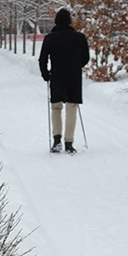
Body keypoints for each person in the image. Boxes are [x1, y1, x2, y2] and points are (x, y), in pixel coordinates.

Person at [39, 8, 90, 153]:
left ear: (56, 21)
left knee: (56, 108)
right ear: (69, 21)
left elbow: (42, 59)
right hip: (73, 77)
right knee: (71, 108)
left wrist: (46, 75)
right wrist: (76, 66)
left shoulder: (50, 38)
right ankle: (69, 142)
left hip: (57, 76)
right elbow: (86, 58)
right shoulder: (80, 37)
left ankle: (56, 141)